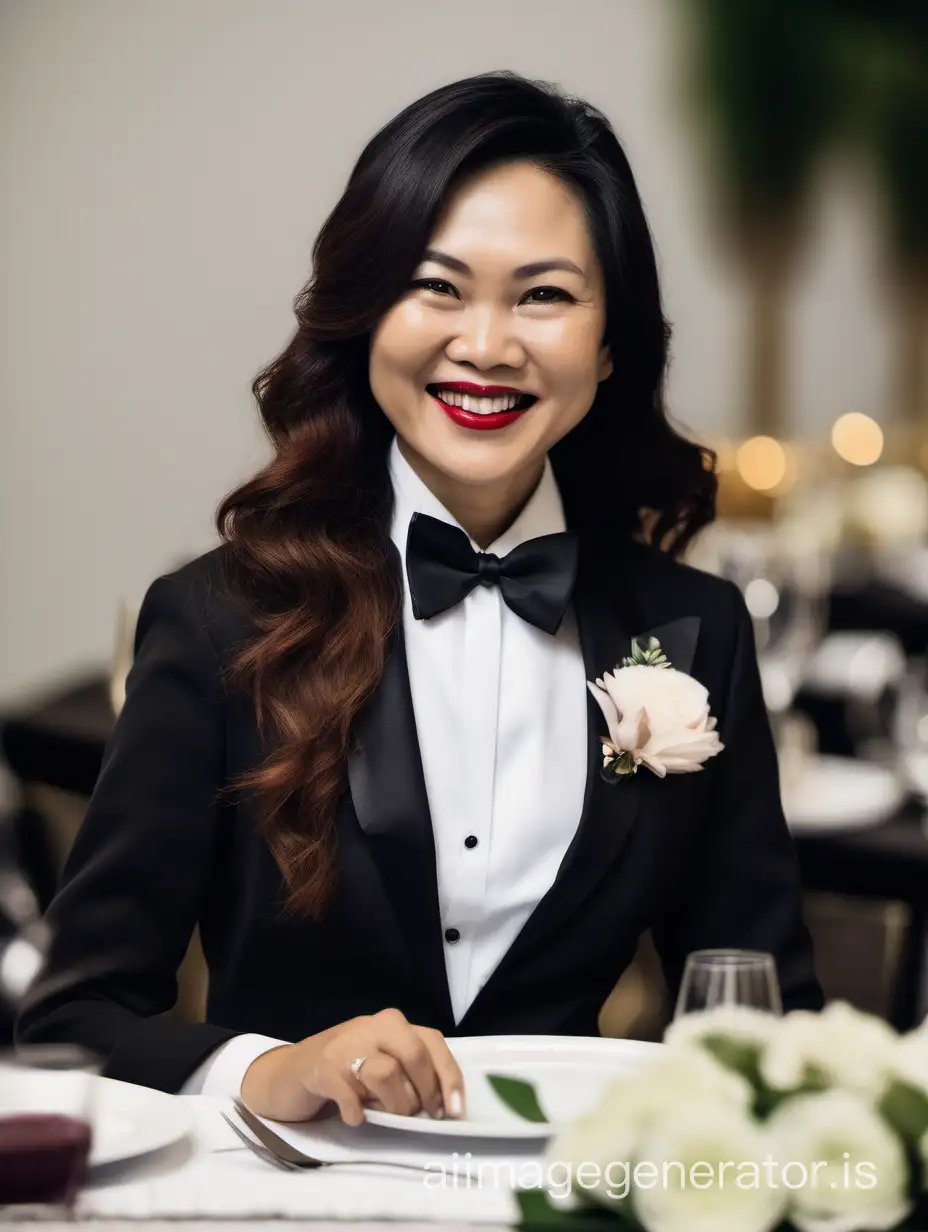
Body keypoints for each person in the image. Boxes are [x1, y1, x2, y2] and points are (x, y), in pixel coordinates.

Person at [15, 70, 823, 1127]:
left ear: (609, 341)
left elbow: (760, 1018)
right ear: (364, 314)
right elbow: (74, 1016)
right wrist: (268, 1070)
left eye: (544, 294)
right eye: (436, 285)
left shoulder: (692, 631)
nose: (485, 345)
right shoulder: (219, 621)